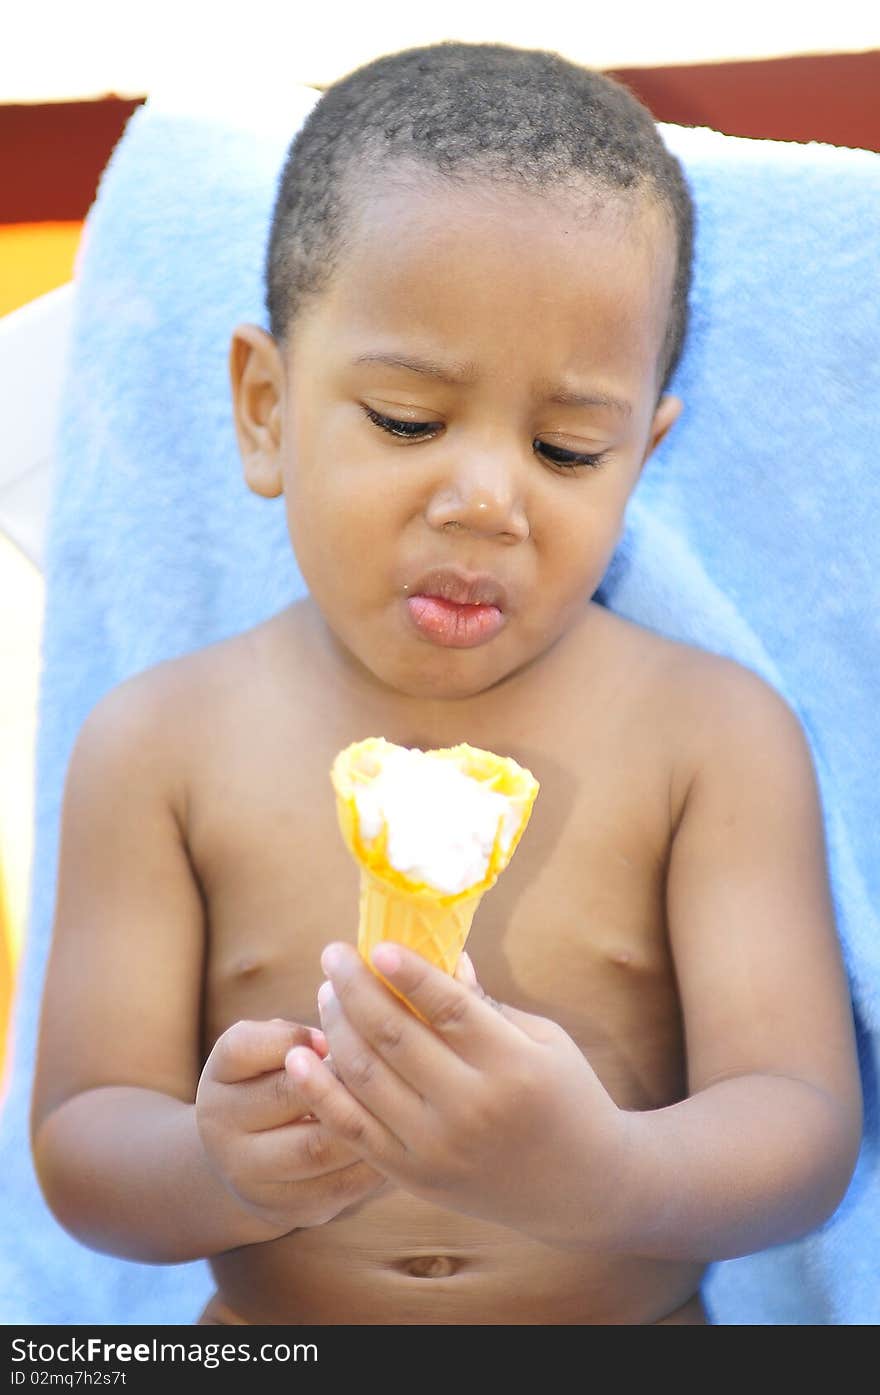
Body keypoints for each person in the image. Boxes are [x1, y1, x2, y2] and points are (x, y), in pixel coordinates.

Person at [30, 41, 862, 1327]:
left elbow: (801, 1130)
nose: (485, 500)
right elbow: (83, 1141)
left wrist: (604, 1173)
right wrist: (217, 1169)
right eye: (409, 421)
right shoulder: (161, 744)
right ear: (265, 409)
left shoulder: (704, 737)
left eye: (566, 448)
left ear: (641, 454)